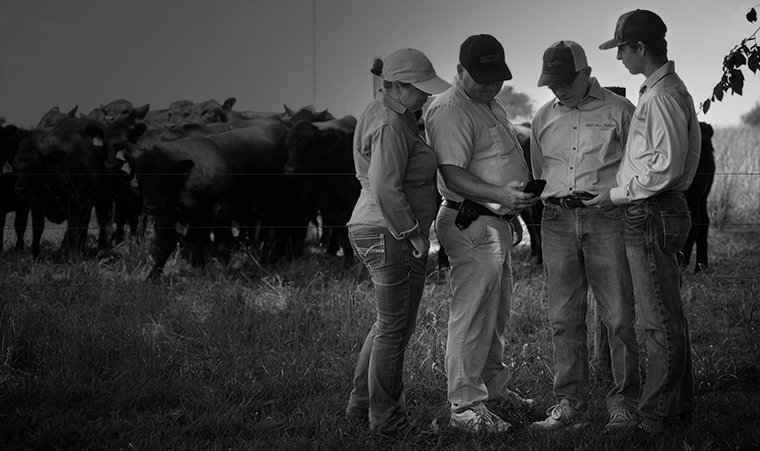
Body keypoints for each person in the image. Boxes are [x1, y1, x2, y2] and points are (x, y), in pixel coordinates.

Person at [592, 9, 701, 435]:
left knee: (657, 319)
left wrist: (614, 194)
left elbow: (666, 167)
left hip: (651, 211)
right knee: (664, 313)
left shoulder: (661, 97)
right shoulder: (659, 91)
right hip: (652, 209)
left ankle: (657, 416)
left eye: (622, 48)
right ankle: (677, 406)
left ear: (640, 47)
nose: (619, 57)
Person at [424, 34, 540, 433]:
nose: (492, 85)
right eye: (484, 78)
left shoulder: (489, 102)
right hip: (470, 221)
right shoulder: (450, 108)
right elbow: (451, 172)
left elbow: (497, 162)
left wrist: (511, 214)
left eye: (498, 77)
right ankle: (465, 406)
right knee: (473, 314)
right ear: (459, 71)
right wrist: (499, 196)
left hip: (493, 223)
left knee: (496, 313)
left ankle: (492, 388)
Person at [528, 40, 640, 433]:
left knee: (619, 316)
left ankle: (625, 404)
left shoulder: (620, 111)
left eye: (564, 81)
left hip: (607, 218)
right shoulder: (543, 118)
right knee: (563, 316)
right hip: (557, 220)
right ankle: (569, 402)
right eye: (551, 82)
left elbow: (633, 169)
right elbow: (540, 167)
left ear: (586, 73)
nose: (557, 89)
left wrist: (611, 201)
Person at [344, 47, 450, 440]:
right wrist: (414, 234)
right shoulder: (390, 124)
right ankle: (388, 423)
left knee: (387, 325)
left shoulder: (386, 114)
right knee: (394, 331)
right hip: (389, 231)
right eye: (420, 89)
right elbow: (387, 187)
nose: (426, 95)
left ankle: (360, 406)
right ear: (398, 86)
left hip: (374, 226)